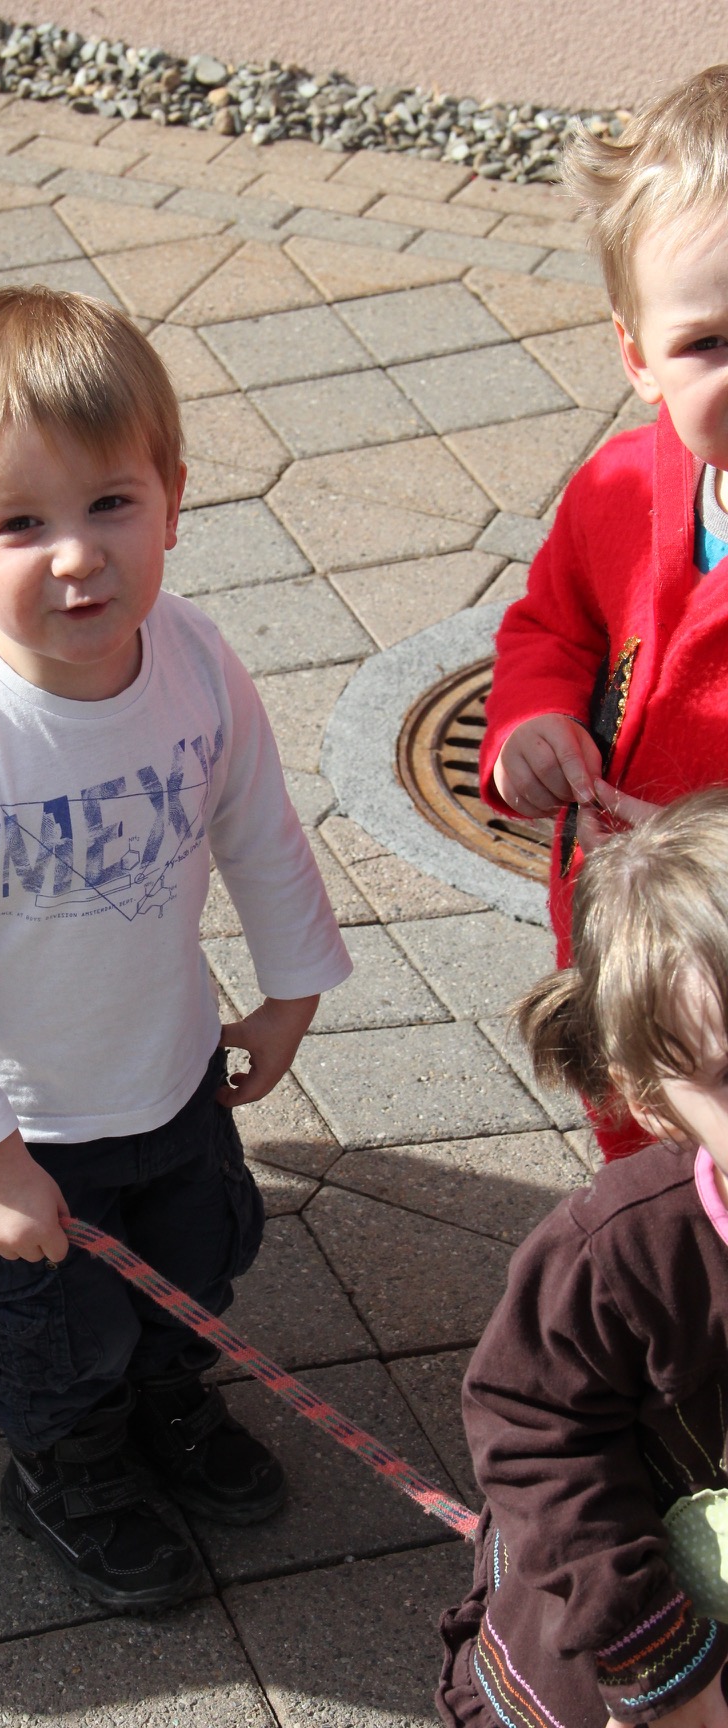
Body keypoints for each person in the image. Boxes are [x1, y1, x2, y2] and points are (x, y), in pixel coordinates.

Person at [0, 286, 351, 1611]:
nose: (77, 556)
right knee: (51, 1330)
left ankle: (169, 1403)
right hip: (29, 1124)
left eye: (111, 504)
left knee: (192, 1269)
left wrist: (290, 995)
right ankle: (67, 1467)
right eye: (21, 524)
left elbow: (257, 822)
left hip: (174, 1072)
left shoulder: (195, 660)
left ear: (173, 500)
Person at [478, 64, 728, 1160]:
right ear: (638, 356)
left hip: (719, 982)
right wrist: (530, 722)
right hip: (620, 946)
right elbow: (553, 625)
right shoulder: (622, 486)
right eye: (709, 342)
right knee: (641, 1168)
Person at [438, 787, 728, 1728]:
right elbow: (533, 1432)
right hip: (634, 1639)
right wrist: (659, 1666)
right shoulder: (622, 1252)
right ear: (652, 1097)